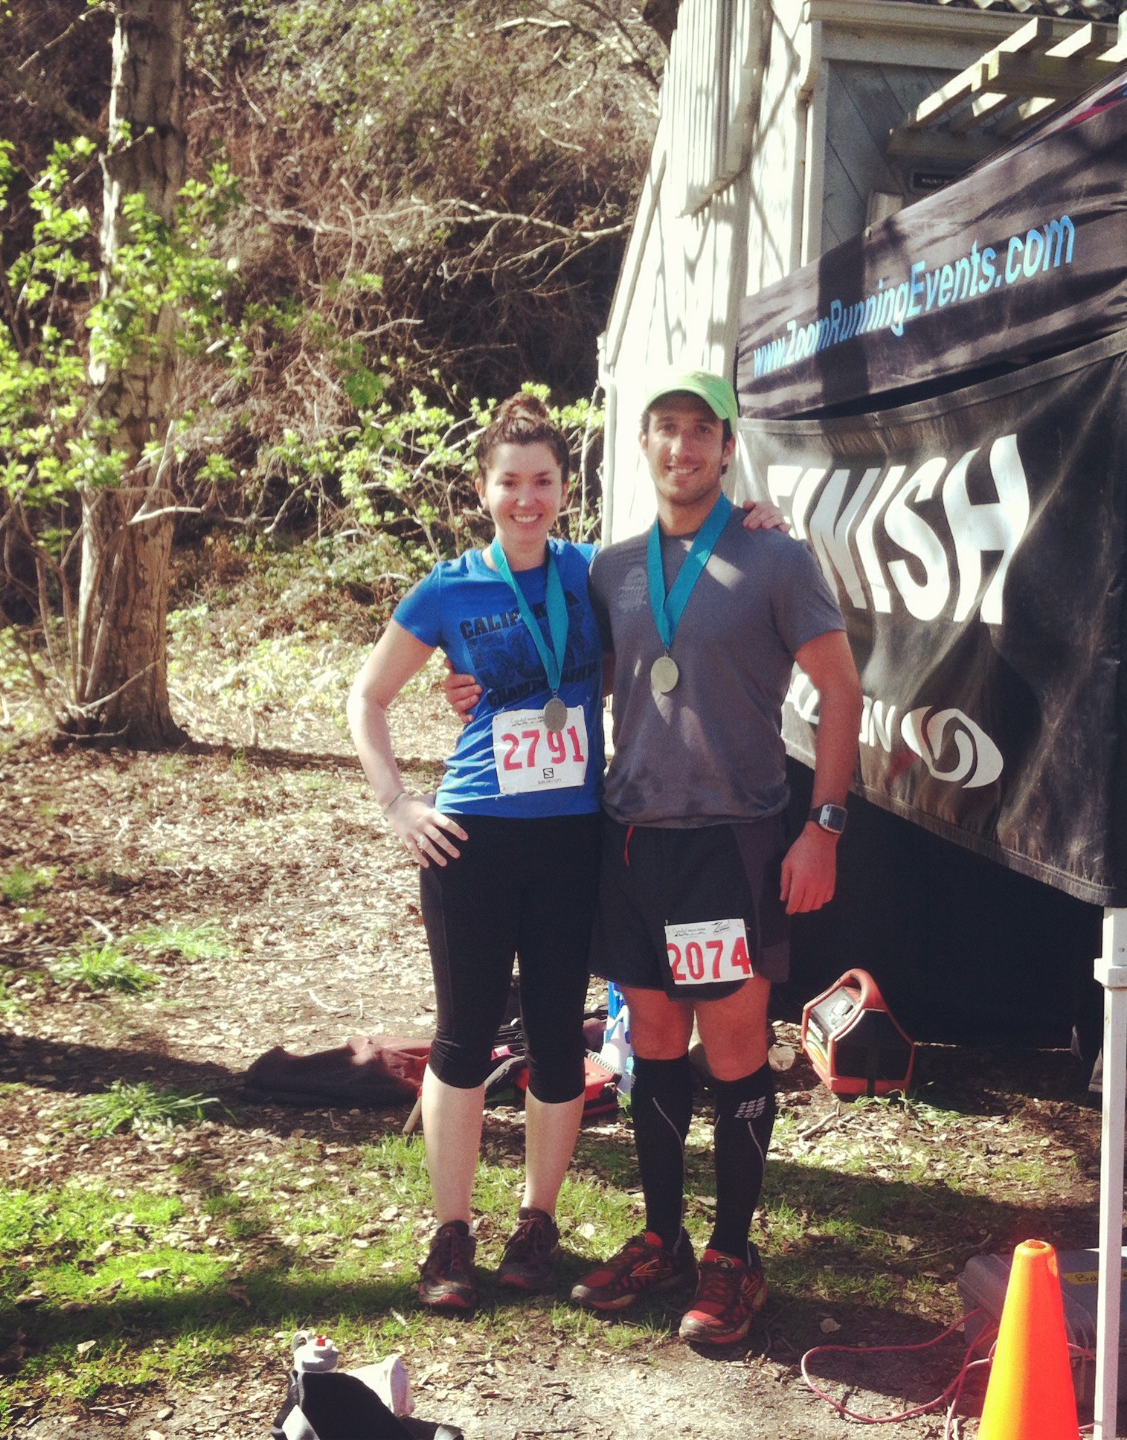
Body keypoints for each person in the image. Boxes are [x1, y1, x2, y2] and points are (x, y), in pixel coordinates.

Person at [566, 367, 862, 1345]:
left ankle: (734, 1257)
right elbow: (588, 679)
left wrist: (823, 827)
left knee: (733, 1052)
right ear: (643, 443)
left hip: (727, 848)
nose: (682, 446)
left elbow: (841, 689)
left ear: (729, 448)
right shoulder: (613, 568)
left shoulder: (775, 559)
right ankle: (664, 1238)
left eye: (702, 430)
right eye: (666, 428)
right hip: (634, 843)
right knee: (651, 1042)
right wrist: (477, 690)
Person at [347, 394, 606, 1313]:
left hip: (572, 837)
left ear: (565, 489)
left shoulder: (592, 572)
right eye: (510, 483)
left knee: (557, 1035)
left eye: (543, 482)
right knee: (463, 1035)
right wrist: (398, 803)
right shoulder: (449, 588)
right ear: (482, 490)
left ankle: (537, 1223)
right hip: (473, 839)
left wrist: (758, 516)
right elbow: (367, 698)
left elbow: (682, 565)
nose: (526, 499)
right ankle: (451, 1232)